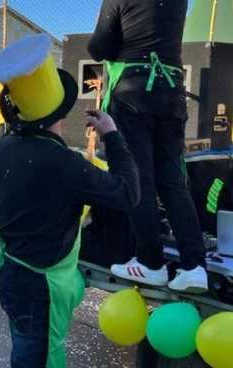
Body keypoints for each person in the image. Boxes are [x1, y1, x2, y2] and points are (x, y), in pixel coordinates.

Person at [0, 33, 139, 367]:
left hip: (8, 271)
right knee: (38, 355)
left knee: (25, 344)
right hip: (40, 284)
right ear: (59, 115)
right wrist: (112, 134)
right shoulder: (66, 163)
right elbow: (128, 194)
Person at [89, 0, 207, 292]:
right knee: (173, 182)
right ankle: (195, 266)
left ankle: (150, 262)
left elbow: (99, 47)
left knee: (138, 177)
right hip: (172, 90)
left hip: (133, 90)